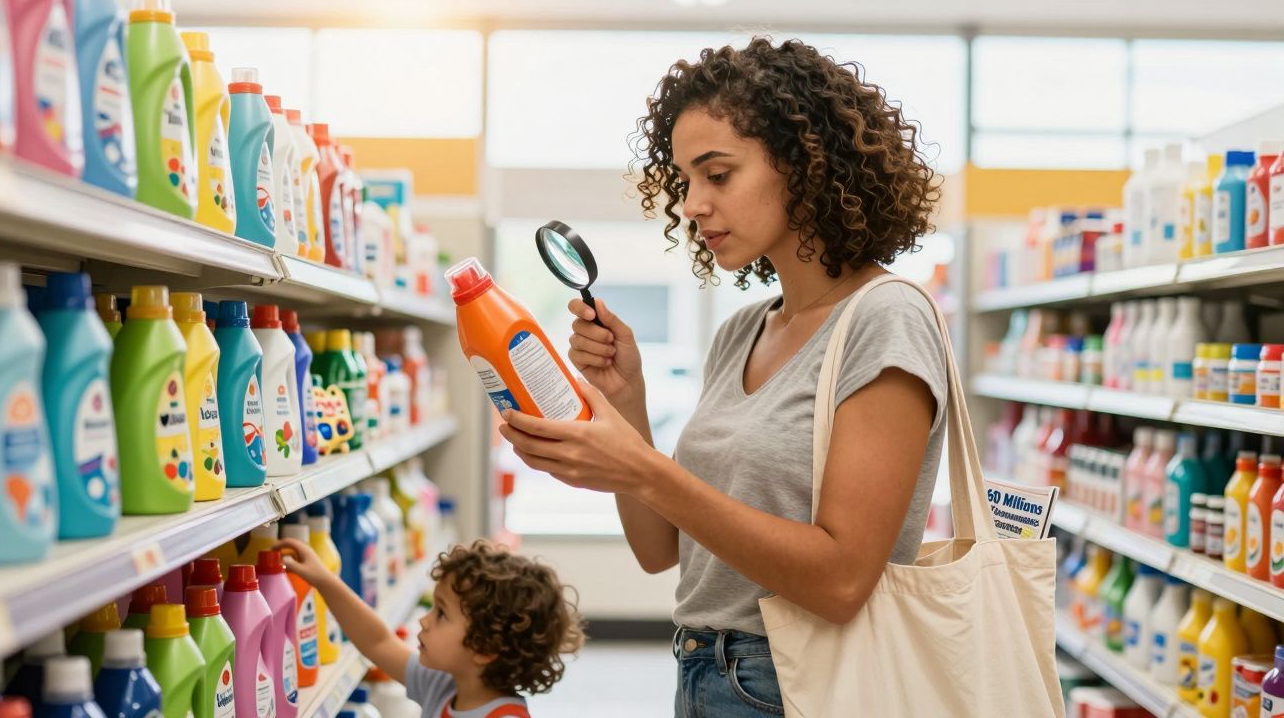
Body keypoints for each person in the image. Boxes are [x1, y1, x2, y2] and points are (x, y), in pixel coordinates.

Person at [498, 36, 946, 716]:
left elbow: (842, 582)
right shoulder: (743, 332)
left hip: (801, 685)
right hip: (701, 670)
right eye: (685, 181)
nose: (691, 205)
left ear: (805, 167)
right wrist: (628, 404)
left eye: (717, 174)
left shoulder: (887, 318)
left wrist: (644, 469)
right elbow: (660, 551)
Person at [277, 537, 585, 718]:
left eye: (441, 614)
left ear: (485, 647)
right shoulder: (444, 687)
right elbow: (377, 642)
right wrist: (323, 579)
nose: (424, 620)